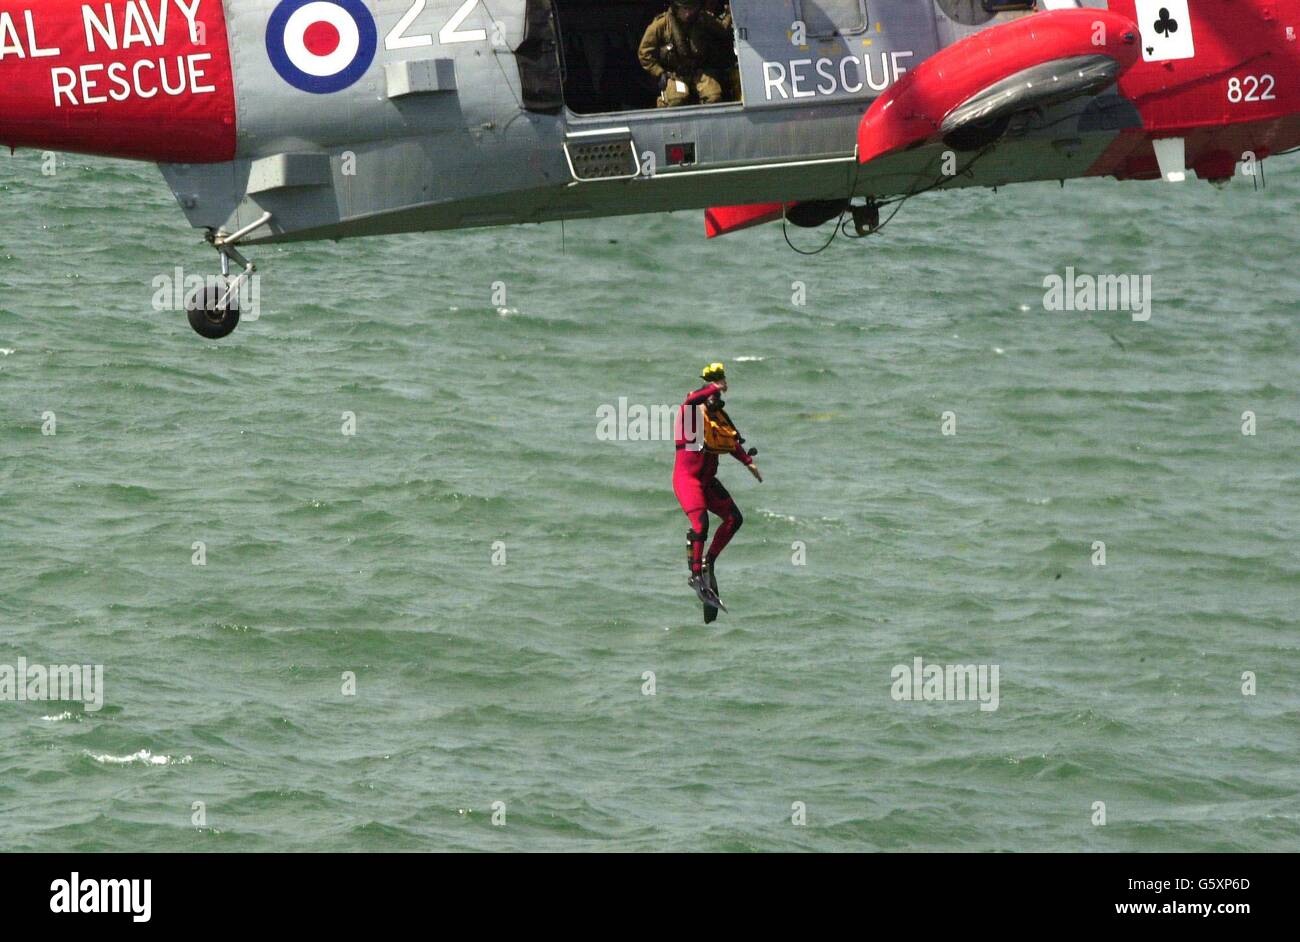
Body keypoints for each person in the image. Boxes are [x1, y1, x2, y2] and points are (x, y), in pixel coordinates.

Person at [673, 362, 762, 616]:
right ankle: (695, 576)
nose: (716, 402)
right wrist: (713, 386)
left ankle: (708, 561)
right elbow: (692, 399)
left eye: (718, 398)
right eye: (713, 397)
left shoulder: (715, 420)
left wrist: (748, 463)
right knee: (701, 524)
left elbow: (730, 443)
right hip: (687, 480)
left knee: (735, 519)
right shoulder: (690, 415)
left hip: (708, 483)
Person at [638, 0, 731, 108]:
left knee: (713, 95)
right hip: (674, 74)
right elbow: (644, 53)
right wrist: (659, 73)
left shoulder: (703, 19)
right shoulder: (661, 25)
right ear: (676, 8)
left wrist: (730, 14)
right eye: (685, 9)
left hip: (699, 72)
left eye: (691, 9)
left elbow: (722, 30)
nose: (688, 14)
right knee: (676, 100)